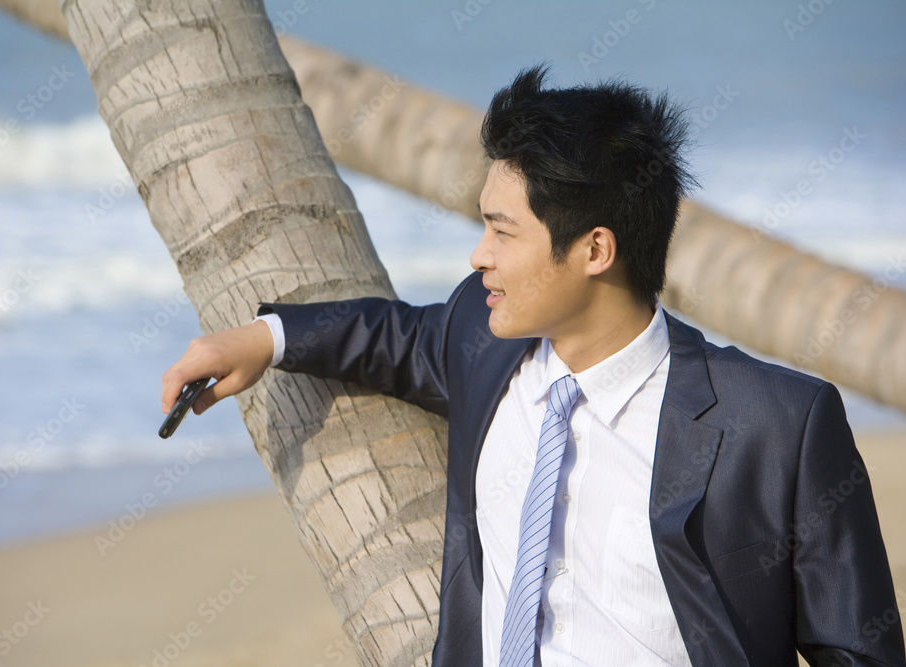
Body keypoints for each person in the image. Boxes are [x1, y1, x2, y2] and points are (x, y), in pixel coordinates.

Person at [162, 66, 904, 666]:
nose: (479, 254)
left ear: (595, 250)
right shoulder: (482, 342)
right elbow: (393, 336)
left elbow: (858, 651)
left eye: (501, 230)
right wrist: (264, 338)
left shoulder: (775, 425)